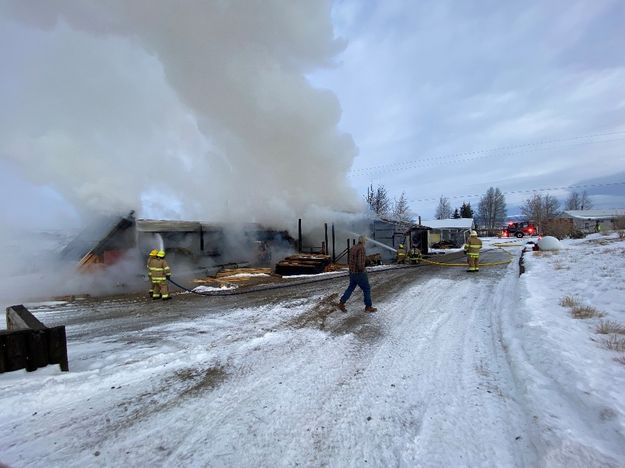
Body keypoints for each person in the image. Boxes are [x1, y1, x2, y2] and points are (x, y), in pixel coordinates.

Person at [338, 235, 377, 313]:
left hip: (352, 272)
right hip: (359, 273)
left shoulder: (353, 247)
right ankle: (368, 306)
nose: (366, 242)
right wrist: (363, 269)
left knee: (351, 288)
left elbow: (351, 260)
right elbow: (360, 264)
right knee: (366, 289)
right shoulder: (361, 248)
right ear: (363, 241)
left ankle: (341, 303)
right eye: (365, 241)